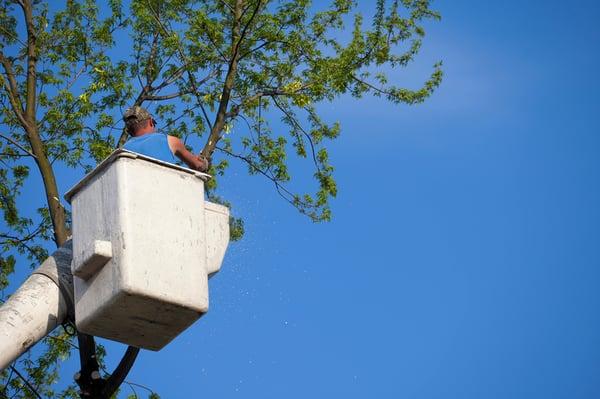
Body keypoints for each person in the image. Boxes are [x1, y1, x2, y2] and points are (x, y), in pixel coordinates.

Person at [122, 106, 209, 172]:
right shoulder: (169, 141)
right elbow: (198, 166)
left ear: (129, 131)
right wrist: (204, 162)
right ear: (151, 122)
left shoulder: (122, 151)